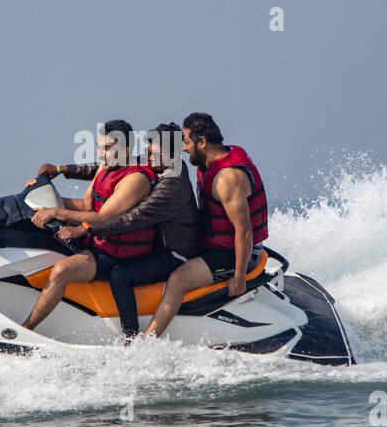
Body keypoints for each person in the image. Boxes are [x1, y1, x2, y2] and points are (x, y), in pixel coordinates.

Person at [34, 123, 199, 337]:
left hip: (174, 253)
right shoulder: (155, 162)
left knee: (120, 275)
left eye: (154, 155)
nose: (148, 158)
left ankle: (131, 339)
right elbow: (107, 165)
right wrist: (61, 170)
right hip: (156, 245)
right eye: (148, 151)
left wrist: (84, 228)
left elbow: (131, 219)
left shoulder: (171, 187)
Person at [21, 121, 157, 333]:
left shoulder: (136, 179)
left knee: (61, 271)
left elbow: (101, 216)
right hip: (94, 243)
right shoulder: (105, 168)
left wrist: (56, 212)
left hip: (117, 256)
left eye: (108, 148)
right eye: (99, 146)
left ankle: (25, 330)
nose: (101, 154)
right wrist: (44, 195)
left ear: (127, 150)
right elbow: (85, 205)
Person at [144, 112, 267, 338]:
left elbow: (244, 230)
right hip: (215, 243)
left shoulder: (227, 178)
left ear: (202, 142)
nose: (183, 148)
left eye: (187, 142)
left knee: (178, 280)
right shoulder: (213, 159)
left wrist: (239, 277)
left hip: (233, 253)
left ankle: (147, 340)